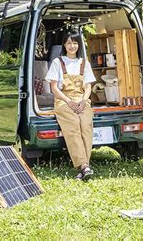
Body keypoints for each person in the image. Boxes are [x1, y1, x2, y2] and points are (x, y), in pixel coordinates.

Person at [45, 30, 96, 180]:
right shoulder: (58, 62)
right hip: (63, 100)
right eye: (69, 43)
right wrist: (69, 101)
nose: (72, 46)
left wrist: (84, 101)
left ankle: (83, 167)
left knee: (85, 124)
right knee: (73, 124)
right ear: (64, 45)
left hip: (82, 99)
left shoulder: (84, 63)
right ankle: (84, 165)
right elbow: (54, 88)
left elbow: (88, 87)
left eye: (75, 43)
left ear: (79, 45)